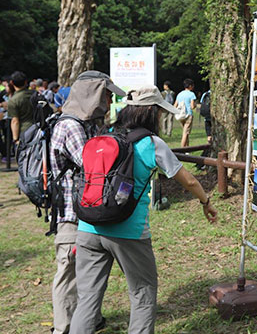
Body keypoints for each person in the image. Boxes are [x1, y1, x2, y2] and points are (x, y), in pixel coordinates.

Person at [70, 85, 217, 334]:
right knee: (142, 292)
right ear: (151, 112)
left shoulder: (101, 135)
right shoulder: (151, 143)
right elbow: (189, 181)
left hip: (88, 227)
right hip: (128, 232)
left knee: (88, 299)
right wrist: (206, 202)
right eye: (159, 111)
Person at [49, 71, 126, 334]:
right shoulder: (70, 126)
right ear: (93, 94)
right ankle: (64, 327)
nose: (109, 99)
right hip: (71, 215)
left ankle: (87, 319)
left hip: (86, 212)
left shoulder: (87, 123)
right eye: (107, 93)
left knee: (87, 271)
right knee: (69, 273)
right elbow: (94, 166)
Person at [7, 71, 35, 142]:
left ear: (12, 83)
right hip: (38, 129)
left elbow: (15, 121)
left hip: (24, 131)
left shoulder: (13, 100)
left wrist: (15, 139)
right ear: (26, 82)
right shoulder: (35, 94)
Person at [174, 78, 196, 147]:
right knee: (185, 133)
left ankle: (187, 149)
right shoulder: (191, 94)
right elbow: (192, 106)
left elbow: (175, 105)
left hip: (181, 115)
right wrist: (195, 105)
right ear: (190, 86)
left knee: (186, 132)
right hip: (188, 114)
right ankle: (182, 149)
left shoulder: (179, 94)